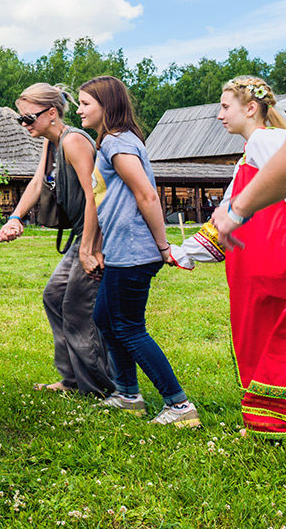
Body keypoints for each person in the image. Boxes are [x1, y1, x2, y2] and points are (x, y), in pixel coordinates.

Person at [77, 76, 199, 428]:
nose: (80, 110)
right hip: (121, 250)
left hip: (134, 251)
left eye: (86, 103)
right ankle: (128, 394)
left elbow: (147, 194)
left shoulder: (117, 143)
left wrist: (163, 246)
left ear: (106, 106)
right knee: (105, 319)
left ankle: (179, 404)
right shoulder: (113, 142)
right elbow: (107, 199)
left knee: (129, 328)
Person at [170, 76, 286, 437]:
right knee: (260, 338)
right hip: (255, 266)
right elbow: (226, 216)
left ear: (251, 108)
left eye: (225, 107)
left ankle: (274, 418)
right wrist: (182, 252)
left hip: (273, 260)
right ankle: (268, 417)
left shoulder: (268, 141)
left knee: (273, 341)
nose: (219, 115)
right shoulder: (250, 153)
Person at [0, 83, 114, 396]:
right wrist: (15, 217)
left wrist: (89, 248)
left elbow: (95, 196)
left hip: (97, 234)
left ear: (52, 113)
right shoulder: (51, 143)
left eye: (29, 118)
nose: (24, 124)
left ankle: (100, 386)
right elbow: (37, 183)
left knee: (77, 307)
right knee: (54, 296)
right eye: (21, 119)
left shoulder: (74, 141)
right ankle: (72, 379)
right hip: (81, 234)